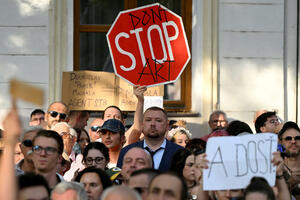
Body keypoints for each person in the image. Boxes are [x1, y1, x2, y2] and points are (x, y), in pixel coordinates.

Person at [117, 107, 183, 172]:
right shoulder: (126, 152)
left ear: (167, 126)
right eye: (148, 120)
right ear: (142, 124)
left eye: (158, 120)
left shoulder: (180, 153)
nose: (153, 124)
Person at [278, 121, 300, 197]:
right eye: (288, 138)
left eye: (297, 138)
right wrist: (290, 183)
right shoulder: (276, 168)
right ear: (280, 142)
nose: (293, 141)